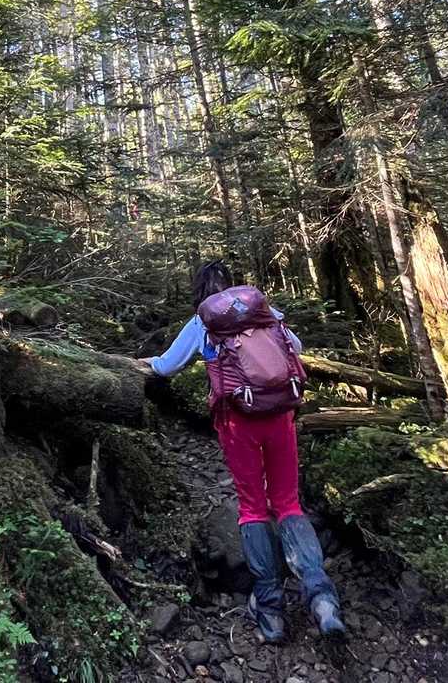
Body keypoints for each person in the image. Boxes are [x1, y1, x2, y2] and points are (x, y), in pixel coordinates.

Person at [140, 261, 346, 643]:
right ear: (233, 287)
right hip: (281, 416)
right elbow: (296, 349)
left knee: (253, 508)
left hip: (238, 424)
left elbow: (166, 367)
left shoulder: (202, 322)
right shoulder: (263, 312)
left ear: (199, 292)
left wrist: (147, 363)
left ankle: (270, 610)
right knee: (288, 503)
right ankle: (321, 597)